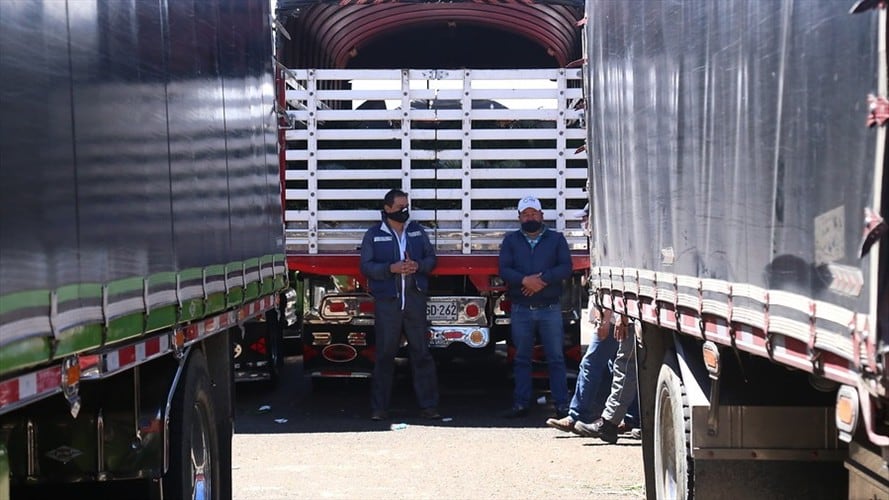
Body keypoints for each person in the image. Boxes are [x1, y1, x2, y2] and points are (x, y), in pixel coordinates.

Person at [360, 189, 440, 421]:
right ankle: (379, 408)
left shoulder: (416, 231)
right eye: (399, 207)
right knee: (385, 356)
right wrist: (390, 269)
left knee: (421, 354)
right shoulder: (374, 234)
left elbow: (431, 259)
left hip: (414, 301)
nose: (404, 211)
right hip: (388, 304)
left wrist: (418, 266)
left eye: (407, 207)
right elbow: (366, 266)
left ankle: (429, 406)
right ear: (387, 209)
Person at [498, 195, 573, 418]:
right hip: (521, 309)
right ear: (519, 217)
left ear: (542, 215)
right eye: (525, 214)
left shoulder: (556, 239)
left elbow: (565, 267)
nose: (530, 217)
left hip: (549, 307)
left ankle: (562, 406)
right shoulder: (511, 240)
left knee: (556, 358)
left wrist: (542, 280)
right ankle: (521, 403)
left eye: (533, 213)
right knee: (521, 358)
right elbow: (504, 269)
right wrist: (524, 281)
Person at [574, 313, 639, 443]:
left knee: (625, 368)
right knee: (629, 368)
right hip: (634, 316)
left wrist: (623, 316)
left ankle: (609, 423)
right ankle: (637, 420)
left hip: (632, 317)